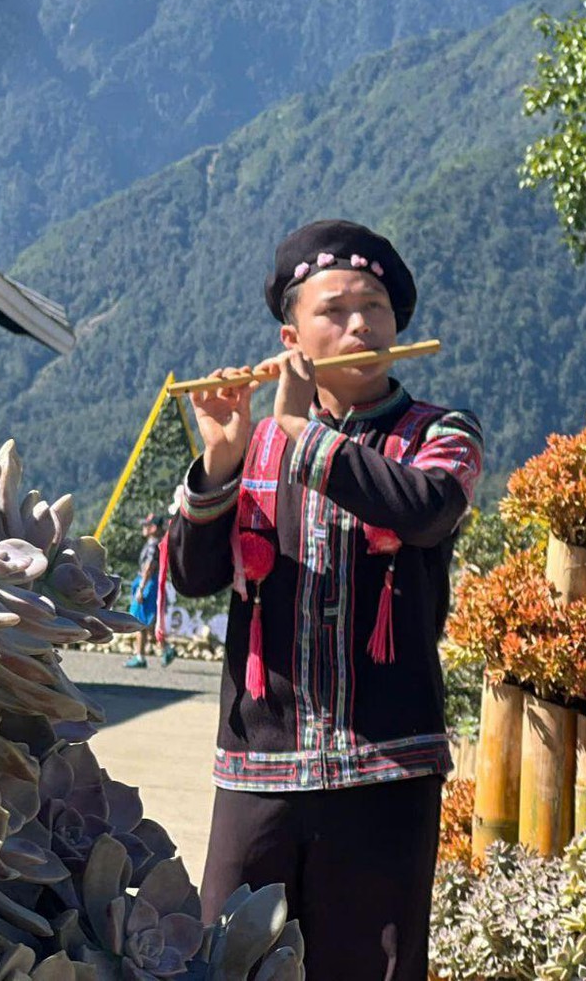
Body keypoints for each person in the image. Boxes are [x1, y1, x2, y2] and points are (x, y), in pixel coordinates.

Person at [165, 219, 481, 980]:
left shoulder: (442, 433)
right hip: (259, 770)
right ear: (292, 336)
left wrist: (298, 429)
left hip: (386, 769)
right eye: (334, 310)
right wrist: (221, 458)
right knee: (226, 963)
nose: (360, 324)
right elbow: (195, 575)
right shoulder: (257, 443)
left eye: (374, 307)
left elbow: (426, 508)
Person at [126, 513, 177, 668]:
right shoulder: (157, 544)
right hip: (151, 583)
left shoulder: (152, 545)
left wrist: (141, 587)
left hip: (147, 583)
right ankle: (166, 649)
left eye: (146, 525)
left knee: (139, 621)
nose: (144, 528)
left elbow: (149, 567)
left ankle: (140, 656)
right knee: (149, 622)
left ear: (154, 528)